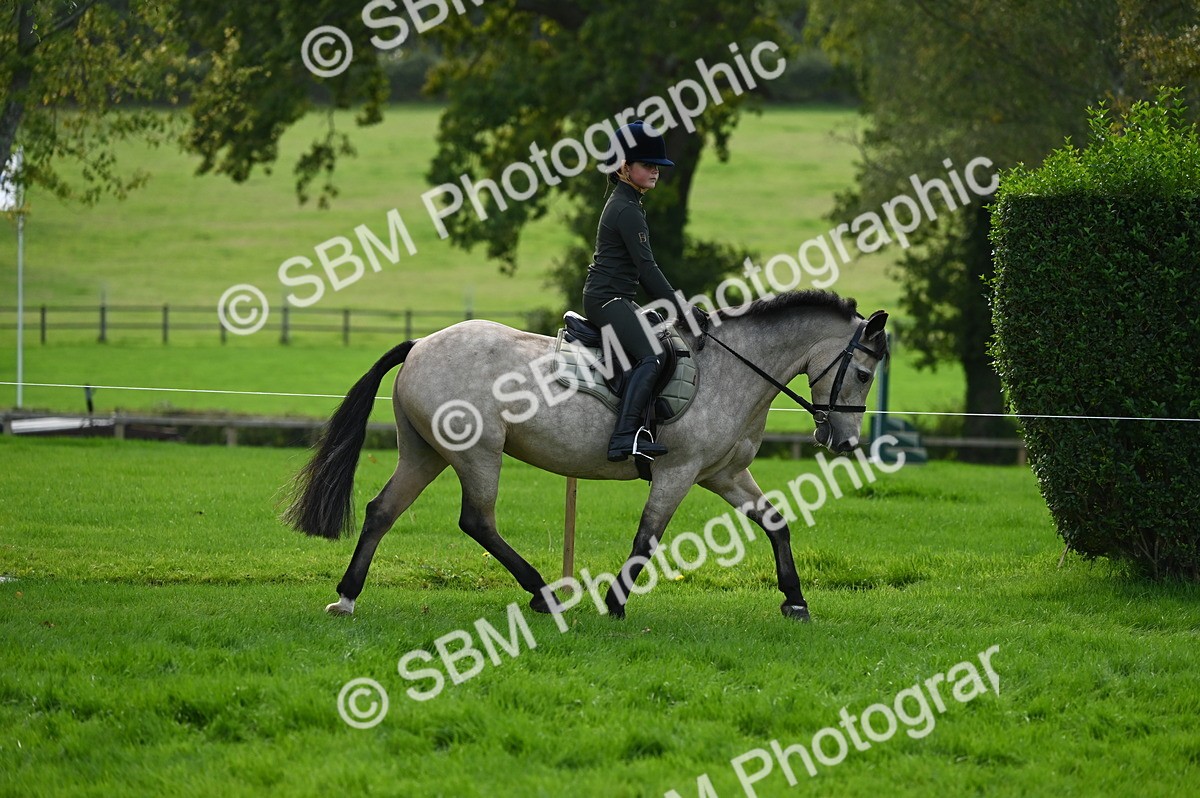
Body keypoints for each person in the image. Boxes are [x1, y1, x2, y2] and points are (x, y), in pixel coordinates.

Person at [582, 121, 704, 462]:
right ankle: (623, 438)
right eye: (647, 165)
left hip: (616, 297)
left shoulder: (630, 203)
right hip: (607, 300)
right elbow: (648, 270)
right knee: (653, 355)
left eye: (657, 166)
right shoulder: (626, 209)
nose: (655, 171)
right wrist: (681, 308)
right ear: (624, 167)